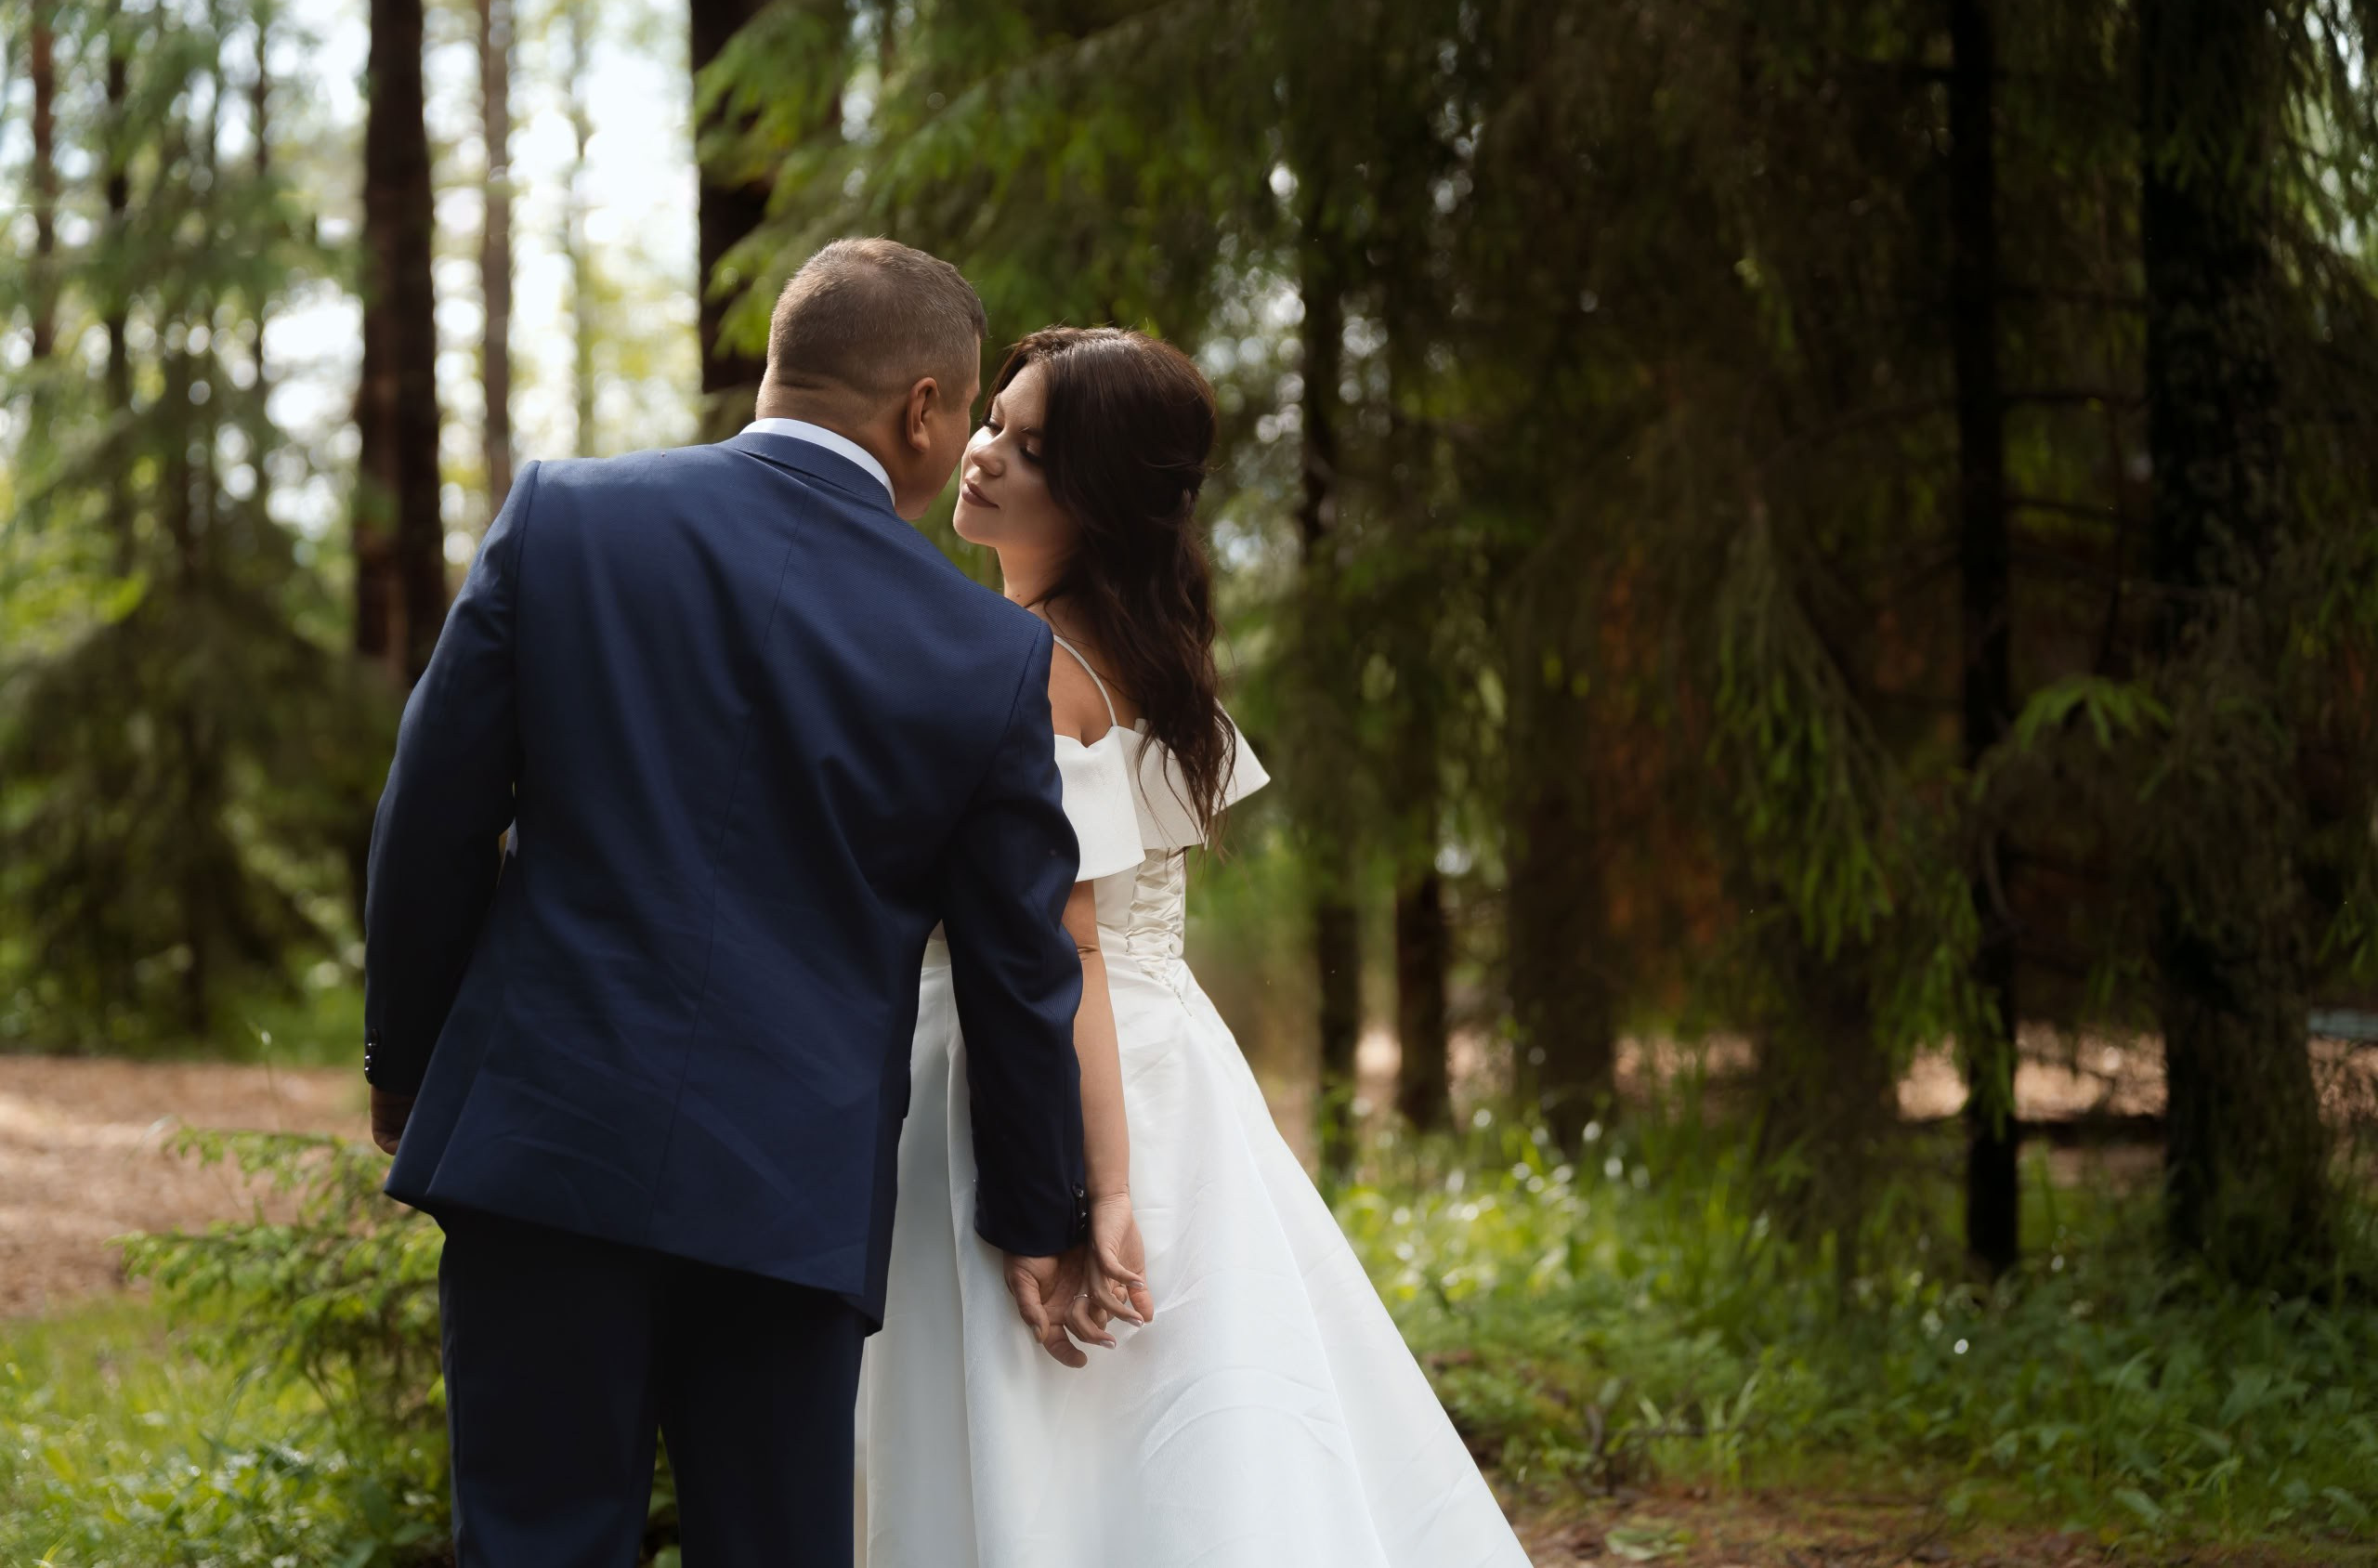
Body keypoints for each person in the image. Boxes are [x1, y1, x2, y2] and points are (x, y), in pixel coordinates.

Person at [360, 238, 1105, 1568]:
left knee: (534, 1543)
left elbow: (432, 819)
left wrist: (407, 1067)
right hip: (790, 1188)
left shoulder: (564, 517)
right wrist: (1037, 1211)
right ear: (924, 409)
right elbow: (1019, 965)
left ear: (780, 364)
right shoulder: (989, 657)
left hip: (543, 1143)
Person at [855, 326, 1534, 1567]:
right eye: (996, 423)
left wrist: (1093, 1188)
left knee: (1044, 1409)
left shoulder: (1044, 666)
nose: (986, 454)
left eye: (1032, 447)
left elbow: (1074, 949)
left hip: (1047, 1068)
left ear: (1099, 495)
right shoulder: (1139, 653)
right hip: (1174, 1066)